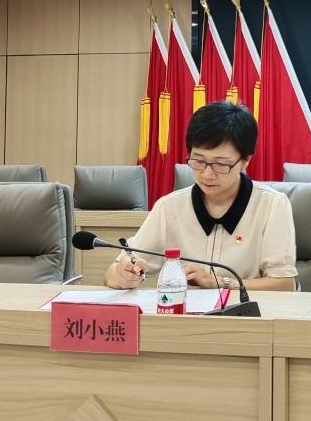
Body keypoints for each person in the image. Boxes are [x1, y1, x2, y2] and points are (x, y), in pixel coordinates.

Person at [105, 101, 297, 291]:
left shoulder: (272, 205)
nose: (207, 174)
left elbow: (284, 284)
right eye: (198, 161)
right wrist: (123, 274)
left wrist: (218, 282)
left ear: (246, 160)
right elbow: (113, 273)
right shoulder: (169, 207)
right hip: (184, 310)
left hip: (247, 310)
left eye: (220, 164)